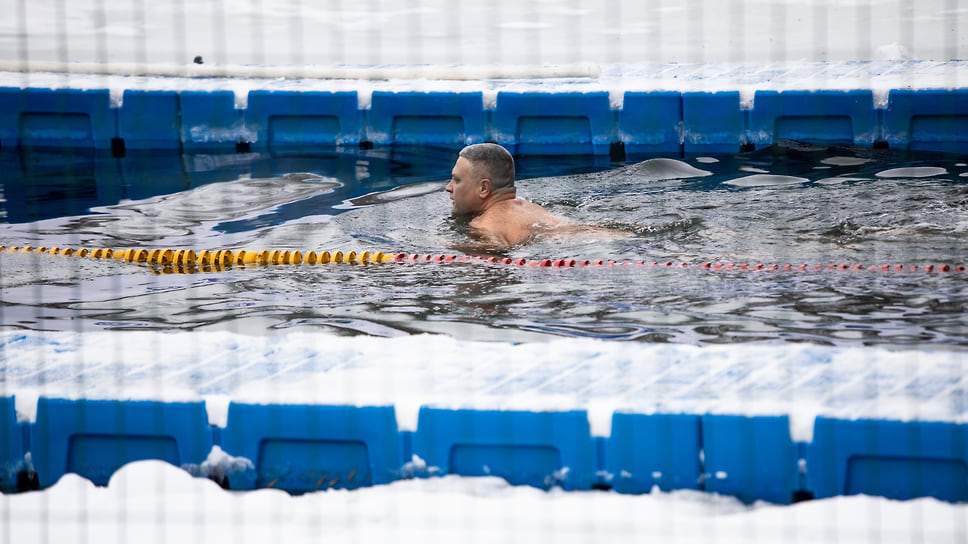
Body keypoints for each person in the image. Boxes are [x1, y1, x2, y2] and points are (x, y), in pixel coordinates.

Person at [445, 143, 574, 246]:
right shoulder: (534, 209)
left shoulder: (485, 224)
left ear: (483, 188)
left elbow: (492, 261)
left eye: (457, 180)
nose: (448, 187)